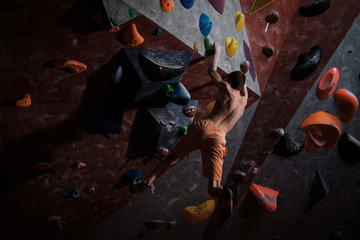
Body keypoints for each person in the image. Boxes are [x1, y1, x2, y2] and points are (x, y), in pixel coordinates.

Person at [143, 42, 248, 218]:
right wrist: (243, 72)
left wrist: (217, 52)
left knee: (173, 157)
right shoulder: (243, 102)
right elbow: (243, 87)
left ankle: (149, 181)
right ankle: (224, 193)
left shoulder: (226, 88)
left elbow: (212, 71)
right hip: (219, 138)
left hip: (205, 127)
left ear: (229, 80)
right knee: (213, 188)